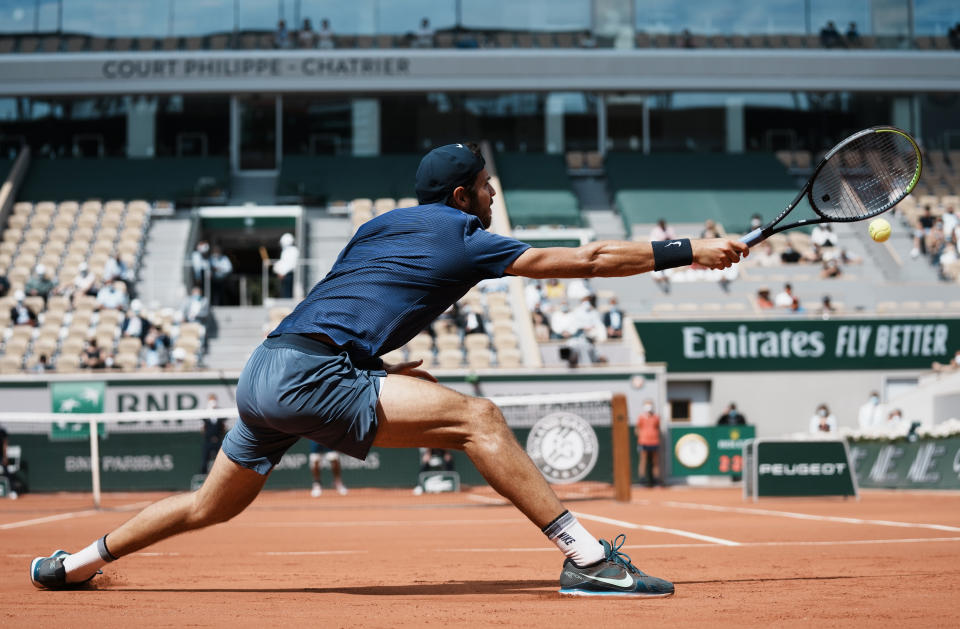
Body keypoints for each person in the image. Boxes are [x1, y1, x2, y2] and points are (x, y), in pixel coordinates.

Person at [29, 142, 745, 597]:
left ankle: (74, 562)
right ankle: (589, 560)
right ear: (464, 196)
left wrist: (383, 367)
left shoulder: (378, 226)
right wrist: (690, 252)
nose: (494, 196)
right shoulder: (467, 237)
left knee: (207, 506)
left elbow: (342, 302)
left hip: (265, 369)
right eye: (488, 187)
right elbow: (586, 260)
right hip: (310, 376)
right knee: (479, 418)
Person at [635, 400, 661, 487]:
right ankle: (642, 479)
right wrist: (642, 436)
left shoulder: (656, 417)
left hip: (654, 442)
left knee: (655, 461)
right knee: (643, 460)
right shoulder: (641, 417)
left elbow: (657, 427)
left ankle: (656, 480)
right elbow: (637, 429)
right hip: (643, 442)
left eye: (650, 405)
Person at [199, 394, 225, 475]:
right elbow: (202, 429)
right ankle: (203, 479)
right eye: (211, 400)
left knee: (220, 462)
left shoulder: (221, 413)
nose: (213, 402)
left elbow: (223, 427)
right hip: (208, 442)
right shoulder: (205, 413)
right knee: (204, 462)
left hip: (218, 441)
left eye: (214, 400)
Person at [273, 233, 298, 299]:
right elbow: (284, 263)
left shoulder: (293, 250)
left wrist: (283, 273)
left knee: (287, 292)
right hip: (284, 274)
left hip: (288, 274)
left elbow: (292, 264)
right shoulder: (285, 251)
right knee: (284, 291)